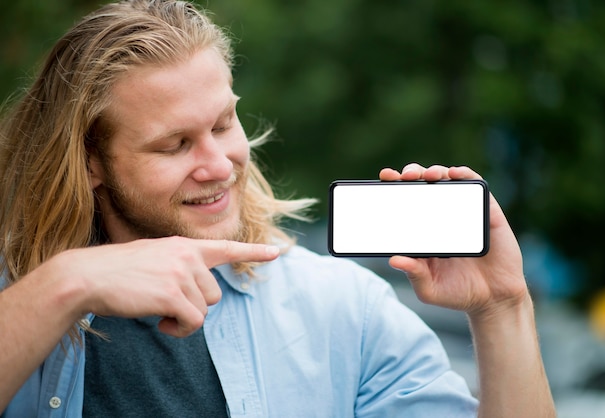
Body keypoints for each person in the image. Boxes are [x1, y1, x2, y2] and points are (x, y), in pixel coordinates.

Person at [0, 1, 555, 417]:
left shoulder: (345, 311)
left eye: (223, 124)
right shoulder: (18, 295)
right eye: (174, 145)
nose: (219, 164)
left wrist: (503, 308)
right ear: (91, 162)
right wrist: (65, 284)